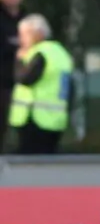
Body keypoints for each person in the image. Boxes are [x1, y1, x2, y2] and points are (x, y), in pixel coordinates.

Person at [10, 14, 76, 154]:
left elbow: (25, 78)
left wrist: (19, 60)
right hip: (55, 119)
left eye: (24, 35)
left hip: (35, 118)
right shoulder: (60, 52)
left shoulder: (39, 53)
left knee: (30, 162)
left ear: (38, 34)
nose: (21, 40)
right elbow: (70, 87)